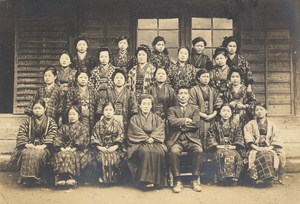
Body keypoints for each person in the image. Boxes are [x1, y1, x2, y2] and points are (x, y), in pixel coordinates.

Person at [10, 99, 57, 186]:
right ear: (32, 109)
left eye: (39, 108)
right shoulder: (27, 122)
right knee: (27, 152)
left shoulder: (51, 121)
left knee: (38, 153)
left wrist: (43, 145)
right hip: (29, 145)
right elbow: (22, 133)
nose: (37, 110)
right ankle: (27, 177)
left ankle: (37, 177)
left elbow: (53, 134)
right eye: (35, 108)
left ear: (45, 109)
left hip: (44, 147)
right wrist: (27, 144)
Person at [167, 86, 203, 193]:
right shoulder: (171, 109)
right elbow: (171, 122)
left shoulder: (195, 109)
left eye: (185, 93)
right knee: (173, 152)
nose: (183, 96)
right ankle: (177, 181)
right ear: (177, 96)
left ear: (188, 96)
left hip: (191, 140)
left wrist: (180, 125)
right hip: (176, 139)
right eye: (181, 93)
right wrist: (187, 120)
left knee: (199, 150)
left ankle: (194, 179)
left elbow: (196, 124)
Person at [127, 94, 167, 190]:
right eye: (143, 104)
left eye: (148, 104)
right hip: (139, 142)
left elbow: (160, 129)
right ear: (140, 105)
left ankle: (157, 181)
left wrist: (152, 138)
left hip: (155, 141)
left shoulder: (157, 118)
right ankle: (143, 181)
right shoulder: (134, 119)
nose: (146, 106)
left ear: (151, 106)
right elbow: (134, 131)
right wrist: (145, 138)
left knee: (159, 152)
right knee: (145, 152)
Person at [244, 103, 286, 186]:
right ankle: (260, 178)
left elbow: (277, 137)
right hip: (255, 148)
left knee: (269, 154)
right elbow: (247, 137)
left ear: (266, 111)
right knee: (261, 155)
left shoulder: (272, 124)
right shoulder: (250, 124)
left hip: (270, 148)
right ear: (254, 112)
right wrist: (256, 147)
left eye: (261, 109)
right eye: (257, 110)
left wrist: (270, 147)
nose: (259, 112)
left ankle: (268, 178)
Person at [206, 104, 245, 185]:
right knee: (224, 154)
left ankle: (234, 178)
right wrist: (218, 146)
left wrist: (234, 146)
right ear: (220, 113)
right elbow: (211, 137)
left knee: (236, 155)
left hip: (232, 147)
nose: (226, 113)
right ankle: (224, 178)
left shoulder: (236, 125)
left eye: (228, 111)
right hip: (218, 148)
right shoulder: (214, 125)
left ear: (231, 114)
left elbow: (239, 137)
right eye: (223, 111)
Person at [53, 106, 91, 187]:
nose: (72, 116)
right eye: (70, 114)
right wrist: (61, 148)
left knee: (69, 154)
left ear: (79, 115)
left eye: (74, 114)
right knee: (61, 154)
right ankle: (62, 177)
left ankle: (71, 177)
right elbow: (57, 137)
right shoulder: (64, 127)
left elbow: (83, 139)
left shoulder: (83, 128)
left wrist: (73, 148)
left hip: (78, 150)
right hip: (64, 149)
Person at [90, 102, 127, 184]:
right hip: (101, 148)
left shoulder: (117, 124)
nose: (108, 112)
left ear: (114, 112)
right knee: (102, 158)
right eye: (106, 110)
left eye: (110, 110)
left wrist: (115, 146)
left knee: (114, 157)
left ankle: (114, 178)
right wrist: (100, 148)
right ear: (103, 112)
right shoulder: (98, 124)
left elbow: (121, 136)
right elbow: (94, 137)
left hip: (115, 148)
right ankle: (103, 177)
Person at [189, 68, 223, 151]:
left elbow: (218, 104)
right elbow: (192, 105)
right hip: (198, 118)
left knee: (211, 137)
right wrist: (202, 114)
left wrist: (212, 115)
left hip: (212, 118)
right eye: (203, 76)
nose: (206, 79)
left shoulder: (213, 90)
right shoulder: (193, 90)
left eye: (207, 77)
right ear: (198, 78)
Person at [66, 71, 100, 135]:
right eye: (81, 77)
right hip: (78, 117)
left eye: (85, 77)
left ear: (88, 79)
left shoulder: (92, 90)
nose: (83, 79)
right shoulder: (72, 90)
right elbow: (69, 104)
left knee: (91, 133)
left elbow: (98, 103)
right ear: (76, 78)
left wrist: (97, 114)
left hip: (90, 116)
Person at [57, 51, 77, 124]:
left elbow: (75, 86)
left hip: (70, 96)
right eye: (62, 58)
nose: (64, 60)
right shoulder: (56, 72)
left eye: (66, 59)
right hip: (58, 95)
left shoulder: (74, 72)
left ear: (70, 62)